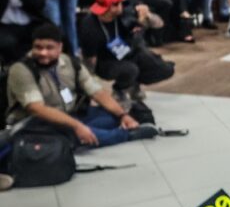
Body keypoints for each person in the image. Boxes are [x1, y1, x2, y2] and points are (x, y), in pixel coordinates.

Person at [6, 23, 156, 148]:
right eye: (38, 47)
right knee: (72, 131)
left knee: (111, 117)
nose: (43, 52)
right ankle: (126, 135)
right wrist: (76, 126)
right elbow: (36, 109)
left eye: (49, 48)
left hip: (71, 114)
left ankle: (86, 133)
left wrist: (123, 115)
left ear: (59, 47)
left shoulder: (71, 62)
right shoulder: (21, 70)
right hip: (37, 122)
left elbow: (97, 92)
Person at [78, 0, 175, 105]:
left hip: (130, 51)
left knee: (165, 69)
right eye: (118, 3)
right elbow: (90, 59)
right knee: (130, 70)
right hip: (106, 61)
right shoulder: (90, 26)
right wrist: (90, 85)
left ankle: (134, 84)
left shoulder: (127, 12)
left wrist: (147, 15)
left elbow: (159, 24)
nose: (122, 5)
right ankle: (120, 89)